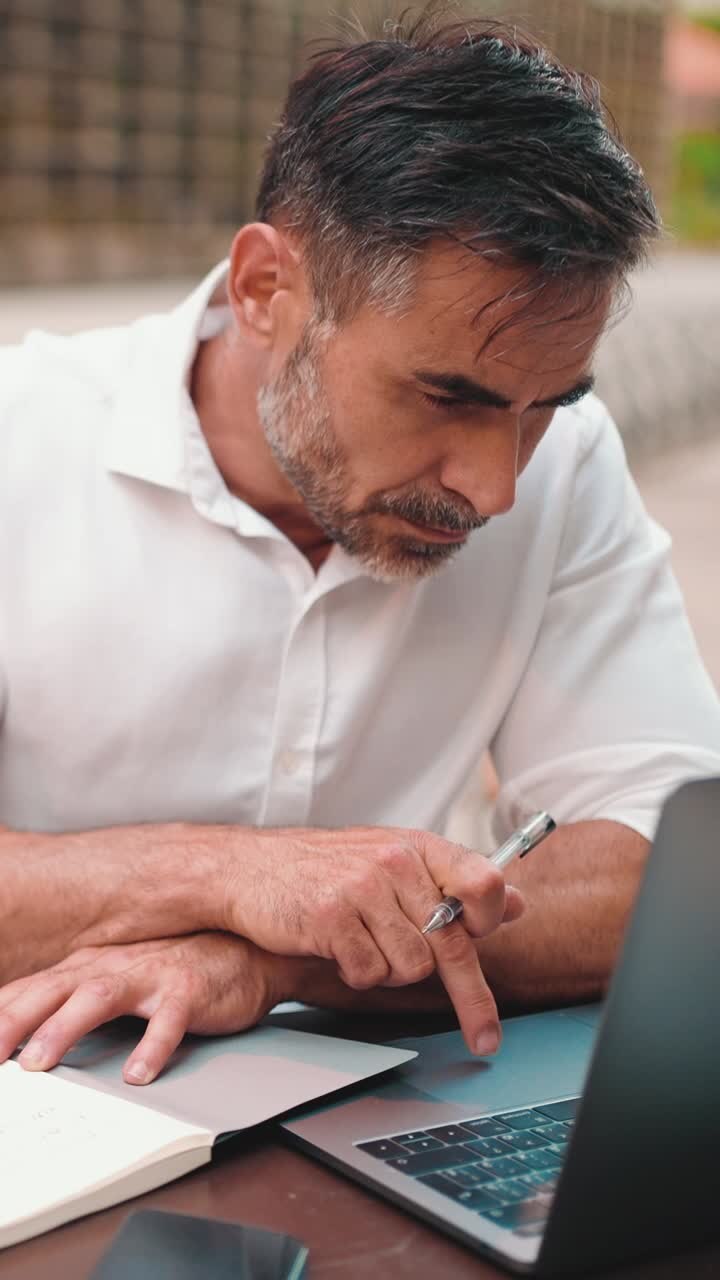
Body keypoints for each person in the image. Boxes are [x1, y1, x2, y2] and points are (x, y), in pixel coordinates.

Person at [1, 11, 719, 1088]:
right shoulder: (23, 439)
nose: (497, 484)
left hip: (366, 1116)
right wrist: (225, 872)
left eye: (542, 407)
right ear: (264, 291)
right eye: (448, 394)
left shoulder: (567, 465)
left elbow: (671, 876)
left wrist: (269, 955)